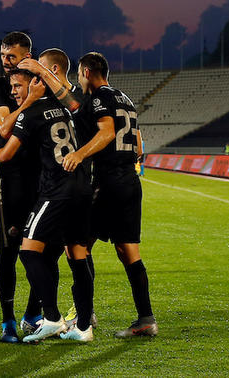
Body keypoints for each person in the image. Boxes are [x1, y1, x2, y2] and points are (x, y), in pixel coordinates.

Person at [0, 68, 95, 343]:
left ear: (35, 84)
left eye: (18, 85)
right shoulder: (63, 109)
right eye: (11, 86)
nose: (13, 91)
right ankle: (84, 326)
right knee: (77, 254)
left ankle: (51, 316)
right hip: (81, 186)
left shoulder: (31, 112)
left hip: (56, 190)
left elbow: (5, 154)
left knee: (28, 251)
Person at [62, 52, 157, 338]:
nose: (79, 79)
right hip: (130, 180)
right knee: (128, 252)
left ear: (87, 71)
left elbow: (106, 132)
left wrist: (79, 154)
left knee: (76, 246)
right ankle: (146, 318)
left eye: (79, 73)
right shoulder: (125, 99)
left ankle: (85, 315)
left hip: (109, 181)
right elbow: (139, 144)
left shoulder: (100, 98)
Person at [0, 31, 46, 342]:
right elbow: (3, 127)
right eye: (3, 57)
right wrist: (31, 101)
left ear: (28, 56)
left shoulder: (43, 82)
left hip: (43, 179)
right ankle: (7, 320)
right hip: (11, 180)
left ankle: (33, 314)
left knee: (43, 250)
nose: (6, 63)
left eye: (12, 57)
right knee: (9, 251)